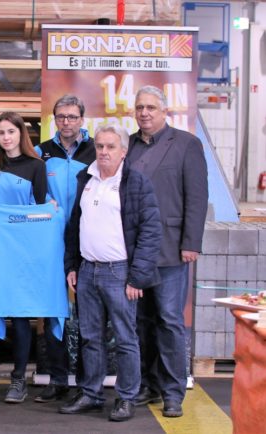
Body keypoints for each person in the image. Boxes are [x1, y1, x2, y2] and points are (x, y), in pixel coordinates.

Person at [59, 124, 162, 422]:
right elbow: (75, 225)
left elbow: (151, 232)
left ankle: (127, 397)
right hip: (87, 270)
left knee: (125, 338)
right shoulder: (86, 177)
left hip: (120, 273)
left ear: (123, 151)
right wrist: (73, 265)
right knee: (90, 337)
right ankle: (91, 394)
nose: (103, 152)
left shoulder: (136, 182)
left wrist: (137, 277)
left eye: (110, 147)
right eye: (100, 146)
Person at [126, 85, 208, 418]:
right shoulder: (128, 145)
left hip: (172, 250)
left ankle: (174, 392)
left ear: (164, 111)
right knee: (142, 322)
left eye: (151, 107)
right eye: (139, 107)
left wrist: (191, 242)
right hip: (135, 253)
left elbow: (197, 196)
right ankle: (149, 384)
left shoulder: (186, 144)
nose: (144, 113)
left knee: (169, 320)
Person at [0, 111, 48, 404]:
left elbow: (40, 211)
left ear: (21, 134)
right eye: (1, 132)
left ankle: (19, 379)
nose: (6, 137)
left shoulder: (36, 166)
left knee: (19, 315)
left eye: (11, 132)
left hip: (22, 251)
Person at [34, 94, 95, 402]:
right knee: (53, 311)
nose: (66, 122)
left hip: (88, 242)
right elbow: (33, 192)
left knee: (87, 314)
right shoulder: (40, 152)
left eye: (72, 116)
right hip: (50, 242)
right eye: (61, 117)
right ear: (54, 119)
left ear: (82, 119)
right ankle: (58, 379)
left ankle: (86, 382)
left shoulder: (96, 151)